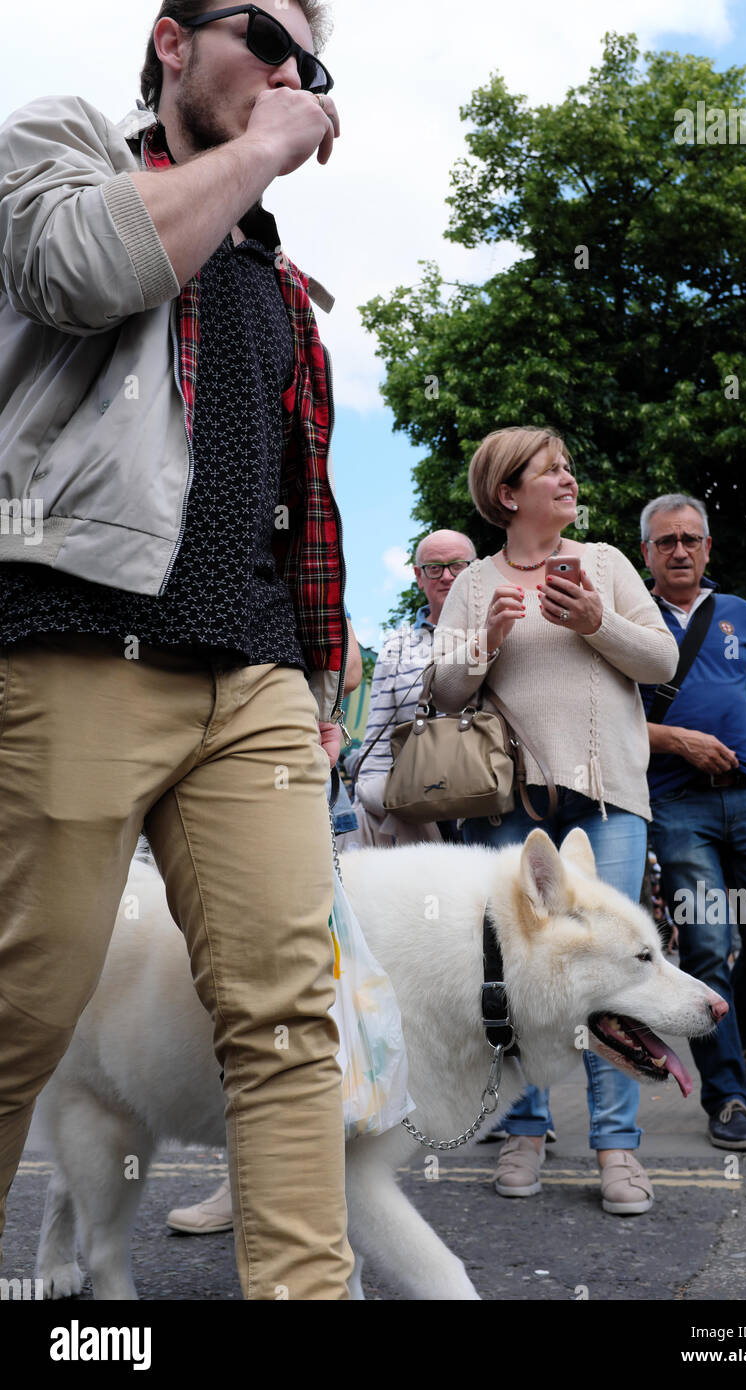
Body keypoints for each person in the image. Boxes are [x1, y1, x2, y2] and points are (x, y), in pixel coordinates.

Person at [0, 0, 354, 1299]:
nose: (284, 71)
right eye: (263, 33)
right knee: (26, 1008)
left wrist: (321, 673)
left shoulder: (274, 278)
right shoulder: (65, 144)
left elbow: (295, 499)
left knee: (285, 1021)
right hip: (81, 639)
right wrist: (262, 149)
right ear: (169, 35)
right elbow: (82, 270)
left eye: (306, 64)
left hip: (253, 677)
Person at [432, 426, 680, 1214]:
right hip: (505, 808)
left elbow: (663, 662)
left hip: (607, 807)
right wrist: (489, 638)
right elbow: (443, 691)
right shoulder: (474, 582)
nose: (569, 479)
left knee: (611, 973)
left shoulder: (604, 563)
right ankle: (526, 1131)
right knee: (510, 979)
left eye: (570, 466)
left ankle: (616, 1150)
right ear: (509, 494)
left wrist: (594, 622)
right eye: (552, 471)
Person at [639, 494, 746, 1151]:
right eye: (665, 541)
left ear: (708, 547)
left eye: (690, 539)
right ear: (646, 553)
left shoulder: (738, 613)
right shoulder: (633, 621)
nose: (679, 550)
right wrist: (678, 740)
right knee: (707, 943)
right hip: (678, 806)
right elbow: (611, 719)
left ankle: (743, 1042)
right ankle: (727, 1094)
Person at [350, 530, 476, 846]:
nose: (447, 576)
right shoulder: (397, 647)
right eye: (435, 568)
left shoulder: (497, 633)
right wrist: (375, 795)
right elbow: (378, 737)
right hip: (420, 814)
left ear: (475, 572)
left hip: (493, 805)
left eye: (458, 566)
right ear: (419, 577)